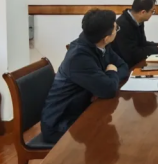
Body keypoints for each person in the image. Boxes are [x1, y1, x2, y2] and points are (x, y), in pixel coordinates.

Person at [41, 9, 129, 144]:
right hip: (60, 123)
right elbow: (109, 89)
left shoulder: (100, 43)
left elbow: (123, 66)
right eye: (116, 29)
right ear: (106, 38)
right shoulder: (78, 57)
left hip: (83, 109)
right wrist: (110, 73)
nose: (117, 31)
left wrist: (106, 79)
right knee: (117, 135)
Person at [112, 0, 158, 67]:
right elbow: (132, 54)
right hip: (125, 67)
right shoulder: (122, 25)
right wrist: (157, 49)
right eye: (152, 11)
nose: (152, 14)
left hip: (135, 63)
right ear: (143, 12)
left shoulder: (138, 21)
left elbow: (142, 43)